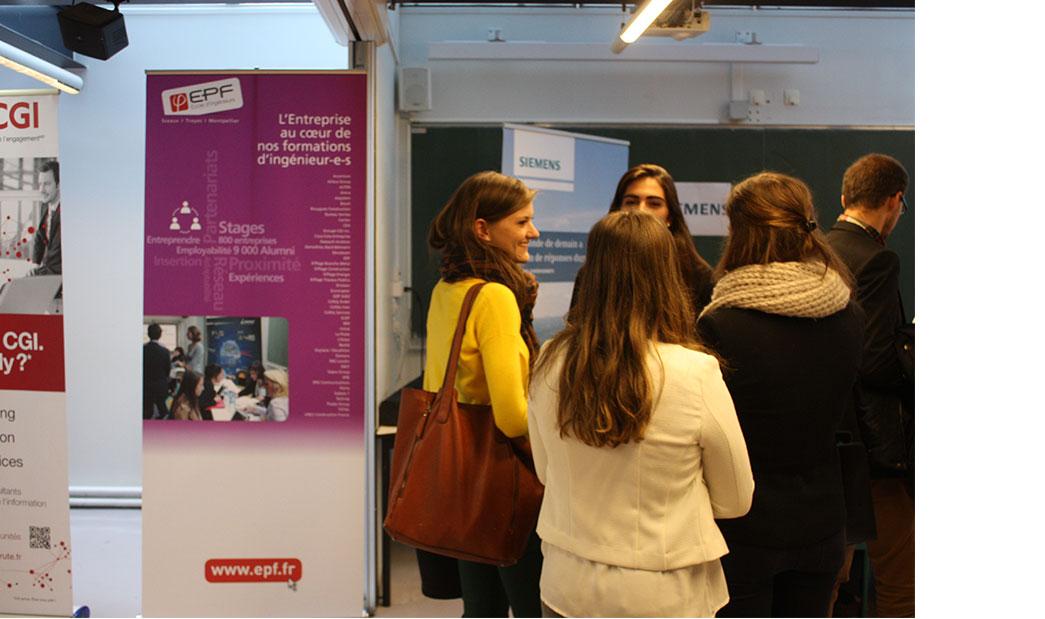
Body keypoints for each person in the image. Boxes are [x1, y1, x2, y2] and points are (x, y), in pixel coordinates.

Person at [528, 209, 754, 618]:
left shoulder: (550, 361)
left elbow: (546, 472)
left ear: (592, 273)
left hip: (566, 586)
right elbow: (736, 499)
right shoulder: (695, 372)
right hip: (666, 593)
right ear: (667, 277)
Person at [696, 172, 864, 617]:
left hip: (743, 528)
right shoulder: (847, 314)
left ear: (738, 232)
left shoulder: (721, 324)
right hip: (823, 520)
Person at [425, 170, 542, 617]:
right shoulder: (495, 296)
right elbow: (511, 417)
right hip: (504, 481)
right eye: (522, 221)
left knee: (481, 608)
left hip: (461, 477)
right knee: (532, 607)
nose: (533, 232)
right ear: (482, 229)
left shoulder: (447, 288)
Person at [826, 153, 914, 618]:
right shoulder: (878, 260)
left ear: (844, 197)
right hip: (872, 447)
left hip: (821, 439)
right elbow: (875, 360)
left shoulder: (816, 249)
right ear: (895, 201)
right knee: (902, 579)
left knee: (826, 576)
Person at [572, 164, 715, 316]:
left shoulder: (698, 275)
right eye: (631, 202)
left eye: (654, 204)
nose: (641, 210)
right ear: (617, 211)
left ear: (670, 217)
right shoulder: (594, 271)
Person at [29, 160, 61, 276]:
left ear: (58, 185)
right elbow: (40, 234)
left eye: (46, 184)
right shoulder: (45, 204)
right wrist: (35, 264)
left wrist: (39, 273)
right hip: (46, 271)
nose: (41, 190)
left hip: (58, 274)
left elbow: (56, 255)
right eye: (40, 184)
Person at [143, 323, 171, 420]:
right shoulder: (165, 351)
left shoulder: (142, 350)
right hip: (160, 385)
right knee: (163, 410)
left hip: (146, 385)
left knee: (146, 412)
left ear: (148, 334)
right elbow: (168, 370)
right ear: (160, 335)